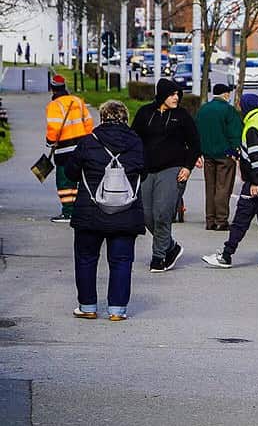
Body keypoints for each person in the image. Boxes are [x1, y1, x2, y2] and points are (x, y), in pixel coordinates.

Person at [64, 100, 144, 321]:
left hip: (90, 211)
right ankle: (117, 310)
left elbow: (71, 171)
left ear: (102, 118)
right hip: (126, 212)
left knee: (86, 258)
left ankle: (88, 306)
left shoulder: (88, 141)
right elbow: (143, 171)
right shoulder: (136, 142)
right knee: (121, 260)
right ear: (125, 118)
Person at [202, 93, 258, 270]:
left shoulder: (252, 127)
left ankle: (226, 255)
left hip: (257, 181)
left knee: (241, 218)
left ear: (245, 106)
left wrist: (255, 182)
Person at [131, 78, 199, 272]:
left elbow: (195, 143)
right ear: (161, 95)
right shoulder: (145, 113)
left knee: (162, 213)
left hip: (173, 169)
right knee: (145, 215)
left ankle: (158, 257)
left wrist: (188, 167)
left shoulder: (182, 116)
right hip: (147, 169)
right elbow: (134, 138)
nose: (176, 98)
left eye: (178, 94)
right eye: (172, 94)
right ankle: (170, 246)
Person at [45, 74, 94, 223]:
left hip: (64, 150)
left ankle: (68, 212)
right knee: (79, 179)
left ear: (52, 88)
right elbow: (89, 123)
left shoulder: (53, 106)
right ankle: (79, 210)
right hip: (81, 148)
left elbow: (53, 128)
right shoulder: (78, 101)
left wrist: (50, 142)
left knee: (65, 182)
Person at [196, 83, 242, 233]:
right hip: (225, 155)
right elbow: (235, 133)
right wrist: (235, 153)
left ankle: (210, 220)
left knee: (210, 187)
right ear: (226, 94)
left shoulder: (203, 110)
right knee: (223, 188)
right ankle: (221, 220)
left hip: (207, 154)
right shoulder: (228, 110)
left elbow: (197, 131)